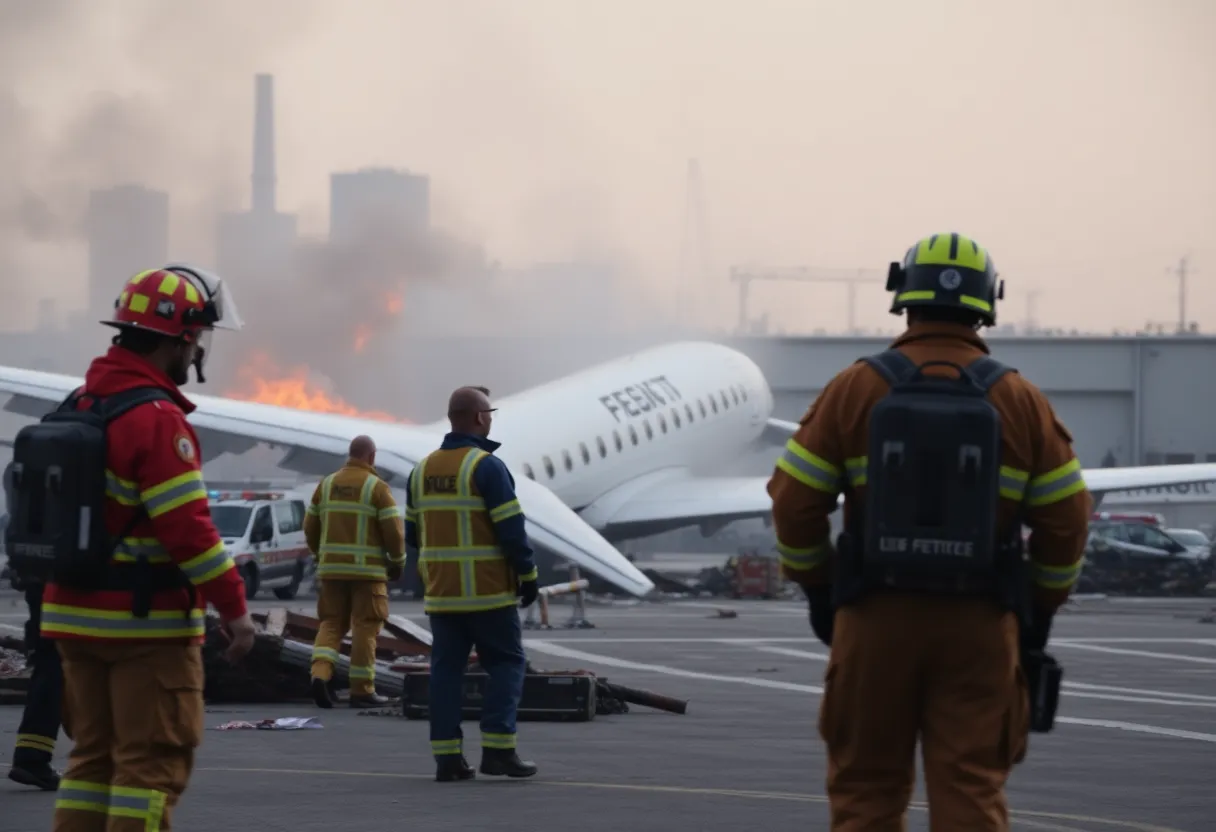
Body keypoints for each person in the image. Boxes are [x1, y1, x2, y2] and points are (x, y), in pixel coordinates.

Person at [768, 233, 1092, 831]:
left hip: (872, 619)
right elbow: (1068, 519)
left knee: (866, 788)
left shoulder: (854, 389)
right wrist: (1038, 610)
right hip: (979, 626)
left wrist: (819, 589)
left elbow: (792, 503)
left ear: (903, 297)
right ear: (986, 304)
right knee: (970, 786)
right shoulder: (1019, 400)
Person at [43, 266, 257, 832]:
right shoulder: (156, 420)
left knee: (91, 764)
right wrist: (236, 611)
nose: (197, 353)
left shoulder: (81, 403)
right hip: (142, 631)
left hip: (73, 620)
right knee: (149, 769)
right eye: (197, 339)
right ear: (179, 338)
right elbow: (190, 532)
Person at [406, 385, 540, 782]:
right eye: (489, 413)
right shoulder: (487, 467)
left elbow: (414, 534)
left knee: (445, 673)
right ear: (480, 418)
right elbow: (512, 530)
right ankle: (498, 751)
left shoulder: (422, 470)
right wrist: (528, 576)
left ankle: (447, 760)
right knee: (507, 664)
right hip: (488, 593)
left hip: (443, 595)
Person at [304, 434, 406, 709]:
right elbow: (394, 533)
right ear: (371, 457)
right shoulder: (377, 487)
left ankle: (320, 675)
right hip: (367, 573)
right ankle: (361, 690)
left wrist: (321, 555)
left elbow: (310, 527)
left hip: (331, 572)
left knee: (331, 624)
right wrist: (397, 561)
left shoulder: (326, 485)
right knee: (365, 627)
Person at [6, 460, 64, 791]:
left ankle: (32, 756)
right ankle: (33, 758)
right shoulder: (89, 450)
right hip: (74, 582)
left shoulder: (26, 463)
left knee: (49, 664)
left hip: (35, 577)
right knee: (64, 666)